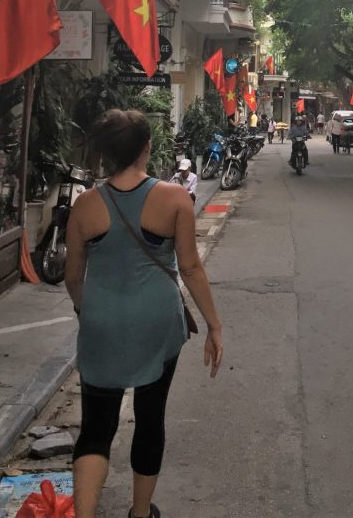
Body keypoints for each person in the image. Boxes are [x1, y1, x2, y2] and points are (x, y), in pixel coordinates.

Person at [65, 109, 223, 518]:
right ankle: (139, 512)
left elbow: (72, 277)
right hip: (157, 324)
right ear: (147, 149)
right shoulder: (174, 197)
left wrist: (90, 312)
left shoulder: (85, 205)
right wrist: (213, 325)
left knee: (96, 428)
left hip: (100, 324)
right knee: (150, 418)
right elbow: (190, 267)